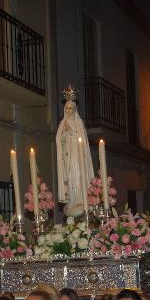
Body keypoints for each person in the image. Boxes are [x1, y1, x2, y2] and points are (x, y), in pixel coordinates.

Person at [55, 83, 95, 217]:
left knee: (77, 175)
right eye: (66, 108)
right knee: (70, 176)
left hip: (77, 156)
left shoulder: (79, 122)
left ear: (75, 109)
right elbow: (58, 139)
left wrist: (73, 135)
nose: (68, 111)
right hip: (67, 156)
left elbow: (82, 140)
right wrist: (64, 137)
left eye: (71, 108)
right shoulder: (62, 123)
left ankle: (80, 198)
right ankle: (72, 200)